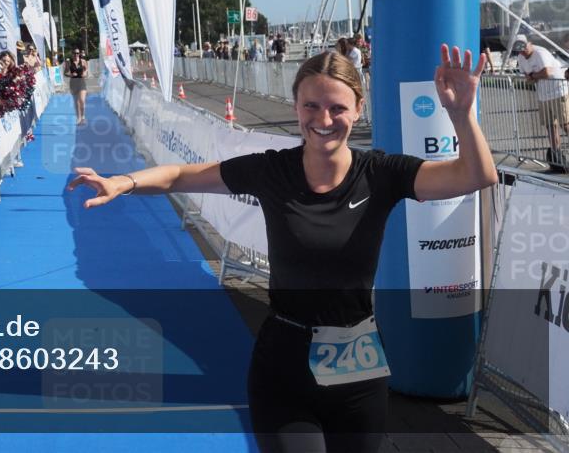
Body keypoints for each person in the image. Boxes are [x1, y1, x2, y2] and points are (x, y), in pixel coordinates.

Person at [68, 46, 497, 453]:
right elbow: (181, 175)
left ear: (358, 110)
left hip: (358, 366)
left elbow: (475, 176)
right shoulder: (271, 170)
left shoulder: (381, 174)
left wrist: (461, 114)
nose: (323, 118)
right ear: (295, 107)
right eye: (311, 106)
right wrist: (121, 182)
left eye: (337, 107)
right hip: (284, 367)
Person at [512, 34, 569, 169]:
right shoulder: (521, 58)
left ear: (529, 43)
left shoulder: (540, 52)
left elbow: (547, 73)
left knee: (565, 124)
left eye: (524, 46)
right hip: (543, 96)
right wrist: (534, 76)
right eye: (519, 48)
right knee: (550, 126)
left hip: (558, 91)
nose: (523, 50)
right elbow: (528, 78)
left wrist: (533, 76)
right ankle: (556, 156)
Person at [65, 48, 88, 125]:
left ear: (79, 54)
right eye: (74, 53)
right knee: (76, 101)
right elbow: (65, 72)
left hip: (81, 82)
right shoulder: (69, 62)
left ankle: (83, 117)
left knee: (82, 100)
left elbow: (86, 71)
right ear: (72, 54)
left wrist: (85, 74)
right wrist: (71, 74)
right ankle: (78, 118)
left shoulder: (83, 61)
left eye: (77, 53)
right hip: (73, 82)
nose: (76, 55)